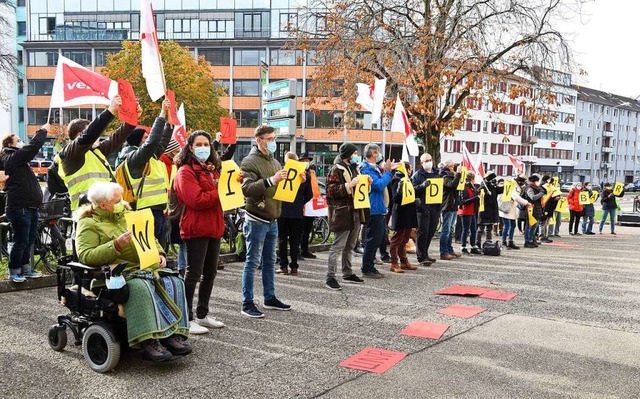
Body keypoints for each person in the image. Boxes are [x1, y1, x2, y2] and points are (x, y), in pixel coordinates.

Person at [75, 181, 191, 362]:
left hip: (145, 267)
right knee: (141, 287)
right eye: (117, 200)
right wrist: (115, 246)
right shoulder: (89, 223)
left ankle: (170, 333)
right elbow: (86, 255)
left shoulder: (128, 215)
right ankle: (148, 341)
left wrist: (159, 253)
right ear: (103, 204)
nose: (122, 202)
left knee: (175, 282)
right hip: (114, 275)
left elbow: (149, 238)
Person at [173, 131, 226, 334]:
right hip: (196, 228)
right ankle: (187, 317)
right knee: (193, 273)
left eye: (207, 144)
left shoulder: (212, 171)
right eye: (199, 144)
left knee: (210, 273)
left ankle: (203, 314)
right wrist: (218, 190)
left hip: (214, 226)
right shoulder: (185, 172)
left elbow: (219, 194)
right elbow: (196, 200)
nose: (204, 148)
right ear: (190, 148)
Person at [240, 125, 293, 317]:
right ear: (259, 140)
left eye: (274, 138)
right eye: (269, 139)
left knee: (270, 261)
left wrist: (295, 181)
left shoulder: (275, 162)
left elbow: (281, 187)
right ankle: (247, 303)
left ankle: (269, 297)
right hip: (256, 218)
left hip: (272, 219)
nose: (273, 142)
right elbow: (247, 189)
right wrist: (271, 180)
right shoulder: (249, 161)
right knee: (252, 261)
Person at [57, 95, 139, 210]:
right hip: (88, 210)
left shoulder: (96, 151)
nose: (97, 137)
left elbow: (117, 137)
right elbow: (90, 134)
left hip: (106, 207)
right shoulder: (71, 153)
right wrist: (110, 111)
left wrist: (132, 118)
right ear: (79, 135)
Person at [116, 99, 173, 239]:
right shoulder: (135, 158)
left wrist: (170, 124)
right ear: (138, 142)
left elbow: (162, 141)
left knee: (159, 255)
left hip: (156, 210)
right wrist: (162, 114)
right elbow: (153, 142)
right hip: (146, 211)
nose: (148, 139)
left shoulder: (149, 156)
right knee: (151, 255)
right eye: (145, 138)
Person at [1, 125, 48, 283]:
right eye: (18, 140)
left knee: (29, 239)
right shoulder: (11, 157)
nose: (21, 142)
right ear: (10, 145)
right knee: (21, 240)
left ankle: (26, 269)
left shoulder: (16, 158)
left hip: (30, 206)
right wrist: (42, 132)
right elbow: (31, 148)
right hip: (19, 207)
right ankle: (15, 271)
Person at [325, 143, 367, 291]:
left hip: (355, 210)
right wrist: (349, 185)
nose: (356, 155)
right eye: (354, 152)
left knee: (350, 245)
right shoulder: (336, 169)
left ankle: (347, 272)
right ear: (348, 154)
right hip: (342, 212)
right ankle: (330, 277)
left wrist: (365, 183)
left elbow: (358, 187)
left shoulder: (353, 167)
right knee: (338, 246)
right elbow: (330, 191)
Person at [360, 144, 400, 278]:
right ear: (374, 153)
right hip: (373, 208)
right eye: (378, 152)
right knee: (373, 239)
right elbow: (378, 185)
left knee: (379, 238)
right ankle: (367, 267)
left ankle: (370, 265)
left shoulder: (374, 168)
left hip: (378, 207)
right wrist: (388, 172)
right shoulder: (366, 169)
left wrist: (389, 172)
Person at [277, 152, 313, 275]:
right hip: (297, 211)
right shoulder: (305, 176)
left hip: (282, 210)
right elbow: (310, 195)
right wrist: (301, 202)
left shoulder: (281, 173)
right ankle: (294, 266)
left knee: (282, 239)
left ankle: (283, 266)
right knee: (295, 239)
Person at [388, 162, 418, 272]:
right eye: (409, 169)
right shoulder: (396, 180)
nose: (410, 171)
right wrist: (399, 190)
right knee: (397, 239)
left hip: (409, 212)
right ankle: (394, 263)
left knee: (405, 239)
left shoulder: (408, 180)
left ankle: (404, 261)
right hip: (401, 213)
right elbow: (395, 199)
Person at [412, 153, 438, 266]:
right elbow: (412, 190)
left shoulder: (437, 173)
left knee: (431, 231)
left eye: (429, 160)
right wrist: (422, 186)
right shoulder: (417, 175)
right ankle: (421, 256)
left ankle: (426, 253)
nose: (428, 162)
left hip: (434, 206)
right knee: (423, 232)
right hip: (423, 207)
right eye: (426, 161)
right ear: (421, 163)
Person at [439, 160, 462, 260]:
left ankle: (449, 249)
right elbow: (451, 185)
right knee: (446, 230)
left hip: (453, 205)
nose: (454, 168)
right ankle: (443, 252)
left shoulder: (451, 175)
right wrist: (458, 175)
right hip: (447, 205)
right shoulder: (444, 175)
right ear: (448, 166)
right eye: (452, 166)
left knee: (450, 229)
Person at [299, 153, 320, 259]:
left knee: (307, 229)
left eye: (307, 161)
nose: (306, 163)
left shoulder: (312, 173)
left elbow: (315, 188)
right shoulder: (299, 173)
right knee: (300, 229)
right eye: (303, 161)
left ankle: (305, 249)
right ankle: (298, 250)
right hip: (302, 204)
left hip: (311, 204)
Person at [498, 176, 529, 249]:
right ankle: (504, 242)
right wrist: (526, 203)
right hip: (506, 207)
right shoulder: (512, 184)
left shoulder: (515, 185)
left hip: (512, 208)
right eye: (523, 182)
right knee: (507, 226)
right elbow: (515, 196)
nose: (523, 184)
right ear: (520, 181)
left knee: (513, 226)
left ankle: (510, 241)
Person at [458, 171, 481, 255]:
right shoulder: (464, 187)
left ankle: (473, 245)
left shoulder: (472, 187)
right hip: (466, 211)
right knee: (465, 229)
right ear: (471, 179)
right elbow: (463, 201)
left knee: (474, 229)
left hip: (472, 211)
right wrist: (475, 198)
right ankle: (463, 246)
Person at [477, 171, 502, 244]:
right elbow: (480, 193)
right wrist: (484, 192)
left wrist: (509, 185)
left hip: (491, 211)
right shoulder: (483, 186)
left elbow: (500, 190)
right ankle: (477, 243)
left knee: (489, 228)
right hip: (484, 211)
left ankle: (488, 242)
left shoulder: (493, 187)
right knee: (480, 229)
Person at [523, 174, 545, 248]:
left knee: (534, 227)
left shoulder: (537, 188)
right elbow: (532, 197)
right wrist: (541, 194)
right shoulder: (529, 188)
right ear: (535, 181)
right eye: (538, 181)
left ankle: (532, 240)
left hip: (537, 209)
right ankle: (527, 241)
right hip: (531, 209)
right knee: (529, 226)